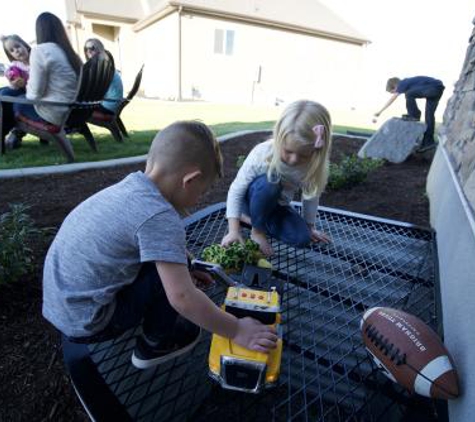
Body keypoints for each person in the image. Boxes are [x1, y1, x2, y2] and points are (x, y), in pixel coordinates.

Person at [42, 121, 278, 370]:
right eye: (201, 193)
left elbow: (146, 242)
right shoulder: (160, 217)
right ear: (190, 180)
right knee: (170, 284)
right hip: (91, 322)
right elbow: (182, 297)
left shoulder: (128, 188)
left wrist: (186, 265)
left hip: (61, 306)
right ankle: (155, 344)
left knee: (171, 265)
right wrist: (237, 329)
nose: (198, 201)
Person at [221, 100, 332, 257]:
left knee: (301, 238)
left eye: (303, 155)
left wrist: (309, 227)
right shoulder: (263, 153)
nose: (293, 160)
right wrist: (233, 231)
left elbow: (311, 196)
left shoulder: (313, 164)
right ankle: (256, 230)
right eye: (288, 151)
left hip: (275, 207)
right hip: (251, 200)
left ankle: (251, 220)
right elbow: (236, 190)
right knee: (271, 182)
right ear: (279, 138)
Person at [7, 12, 82, 148]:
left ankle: (9, 136)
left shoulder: (41, 51)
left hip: (57, 114)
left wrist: (26, 84)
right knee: (8, 94)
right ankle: (13, 136)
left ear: (40, 30)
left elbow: (34, 95)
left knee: (12, 101)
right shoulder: (71, 53)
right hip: (76, 111)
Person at [373, 76, 445, 153]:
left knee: (408, 94)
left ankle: (414, 115)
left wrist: (380, 111)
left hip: (433, 87)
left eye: (393, 92)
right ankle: (428, 142)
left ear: (395, 86)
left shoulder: (402, 83)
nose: (395, 93)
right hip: (438, 88)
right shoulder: (409, 83)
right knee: (429, 115)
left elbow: (392, 99)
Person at [0, 34, 31, 149]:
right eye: (12, 51)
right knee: (3, 93)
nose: (16, 51)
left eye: (17, 46)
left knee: (4, 95)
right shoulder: (16, 66)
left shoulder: (35, 60)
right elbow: (14, 86)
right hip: (22, 91)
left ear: (25, 45)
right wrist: (13, 83)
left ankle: (8, 128)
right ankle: (5, 128)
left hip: (33, 94)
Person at [84, 38, 123, 115]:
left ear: (99, 49)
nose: (88, 51)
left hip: (108, 106)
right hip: (111, 104)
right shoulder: (105, 63)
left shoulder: (101, 67)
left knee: (72, 110)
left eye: (92, 48)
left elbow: (94, 91)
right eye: (86, 49)